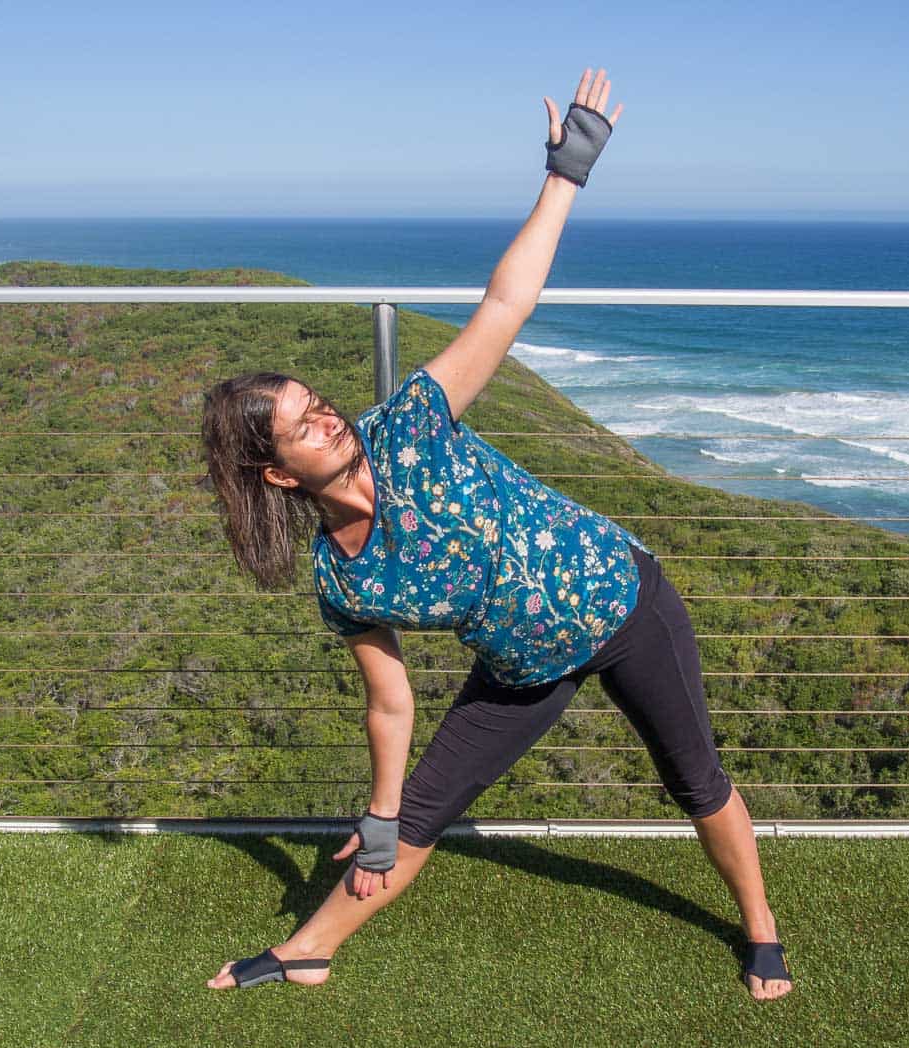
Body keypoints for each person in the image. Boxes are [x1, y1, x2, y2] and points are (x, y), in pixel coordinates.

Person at [199, 68, 792, 1001]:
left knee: (696, 779)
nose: (329, 421)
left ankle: (759, 925)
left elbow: (504, 305)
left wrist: (568, 174)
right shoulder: (343, 580)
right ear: (278, 475)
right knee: (421, 813)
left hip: (625, 602)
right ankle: (310, 948)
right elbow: (389, 703)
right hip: (524, 670)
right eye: (302, 427)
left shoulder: (411, 424)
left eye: (319, 403)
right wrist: (384, 810)